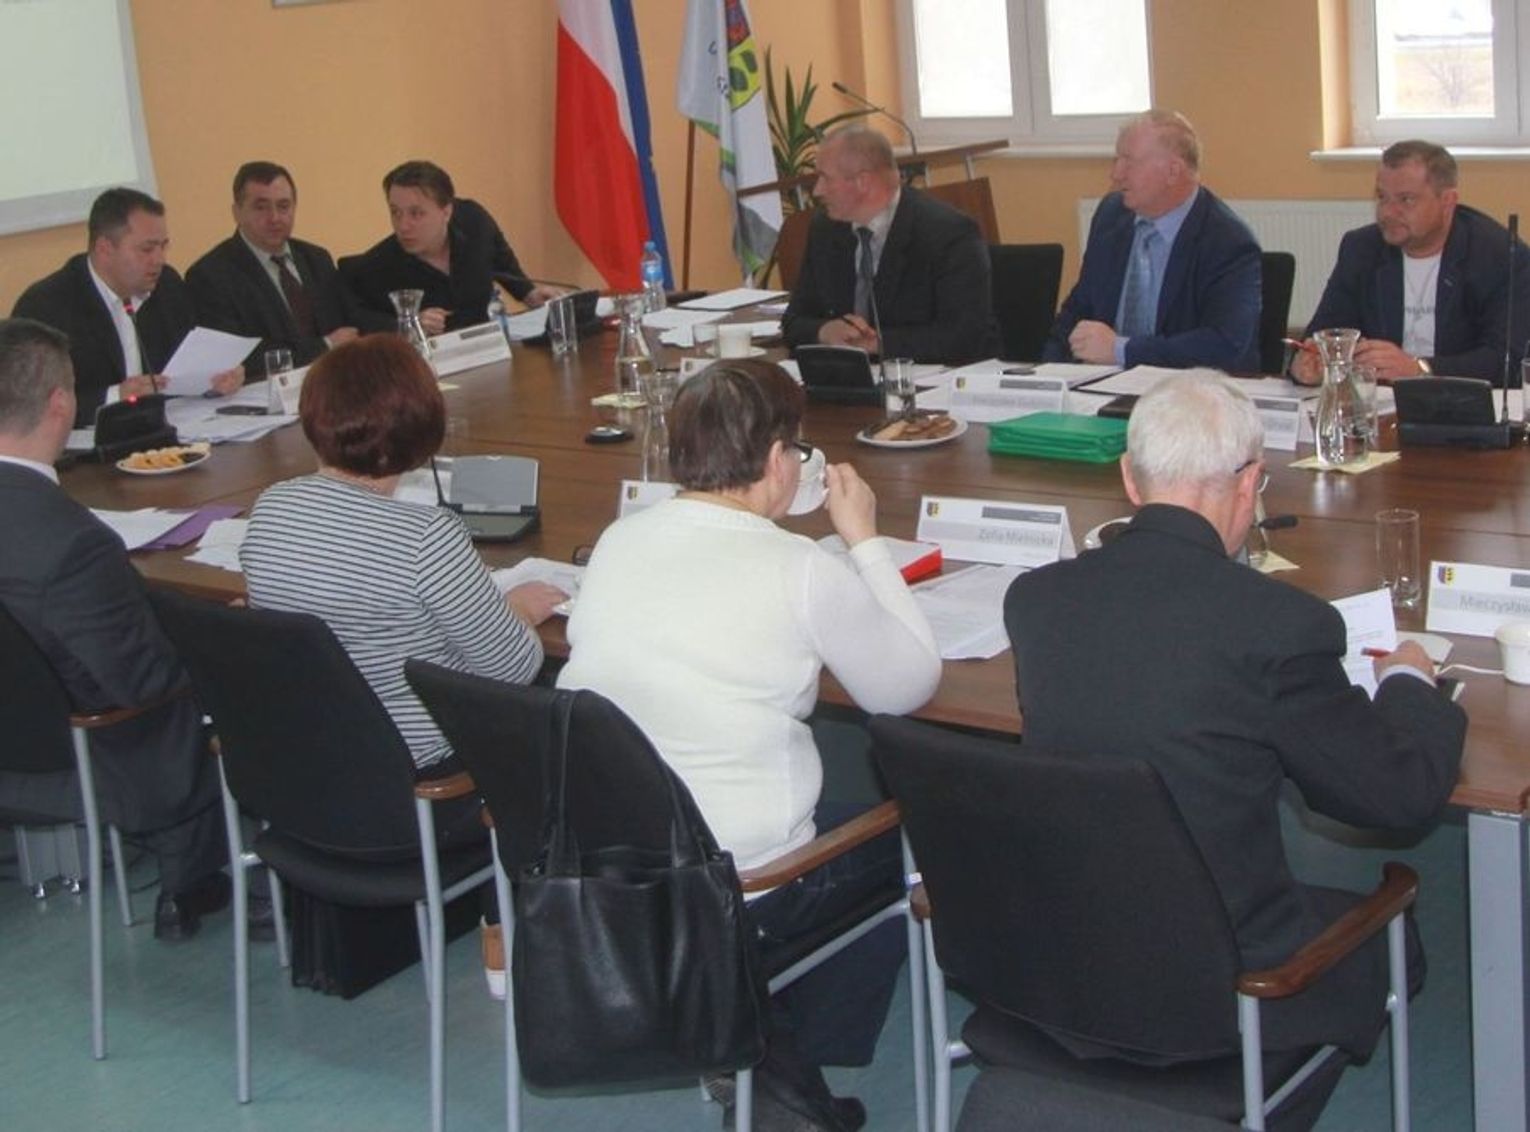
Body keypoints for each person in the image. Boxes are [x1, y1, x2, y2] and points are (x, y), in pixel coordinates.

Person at [1003, 373, 1465, 1062]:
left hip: (1060, 956)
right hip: (1232, 984)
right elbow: (1396, 795)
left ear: (1130, 478)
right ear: (1250, 483)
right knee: (1400, 937)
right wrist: (1408, 680)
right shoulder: (1279, 624)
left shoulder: (1035, 599)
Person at [557, 359, 942, 1131]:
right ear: (776, 460)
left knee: (826, 803)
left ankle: (757, 1054)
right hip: (749, 884)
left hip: (615, 870)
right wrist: (864, 540)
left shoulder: (620, 539)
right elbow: (906, 686)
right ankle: (782, 1056)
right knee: (920, 830)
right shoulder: (798, 567)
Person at [0, 318, 230, 941]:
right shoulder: (72, 544)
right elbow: (144, 682)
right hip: (86, 757)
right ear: (60, 403)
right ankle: (213, 877)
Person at [239, 334, 561, 772]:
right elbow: (512, 668)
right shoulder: (426, 536)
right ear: (421, 427)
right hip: (418, 761)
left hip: (307, 751)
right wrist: (518, 610)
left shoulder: (271, 506)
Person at [1295, 140, 1530, 384]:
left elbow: (1508, 360)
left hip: (1462, 399)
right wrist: (1306, 363)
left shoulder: (1500, 256)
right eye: (1382, 197)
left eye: (1406, 200)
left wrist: (1420, 369)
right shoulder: (1362, 248)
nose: (1387, 212)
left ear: (1447, 201)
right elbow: (1322, 333)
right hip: (1381, 398)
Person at [1043, 110, 1261, 372]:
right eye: (1117, 159)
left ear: (1173, 171)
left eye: (1129, 161)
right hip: (1103, 382)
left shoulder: (1227, 242)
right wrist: (1047, 373)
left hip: (1183, 388)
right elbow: (1078, 310)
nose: (1116, 173)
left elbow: (1224, 345)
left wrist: (1122, 350)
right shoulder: (1112, 216)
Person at [12, 188, 243, 426]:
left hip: (168, 433)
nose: (159, 259)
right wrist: (115, 397)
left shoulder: (167, 286)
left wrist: (213, 381)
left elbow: (182, 371)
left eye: (163, 246)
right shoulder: (46, 305)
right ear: (104, 249)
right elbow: (28, 406)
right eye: (147, 249)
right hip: (89, 444)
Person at [782, 126, 997, 365]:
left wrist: (878, 343)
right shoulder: (826, 228)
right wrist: (824, 331)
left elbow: (963, 337)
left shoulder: (947, 233)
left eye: (825, 178)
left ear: (863, 181)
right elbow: (793, 321)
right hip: (848, 376)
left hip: (929, 377)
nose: (817, 190)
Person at [340, 160, 560, 336]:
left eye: (416, 213)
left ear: (446, 212)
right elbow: (356, 318)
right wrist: (410, 324)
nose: (403, 225)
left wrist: (529, 293)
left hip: (488, 348)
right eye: (395, 212)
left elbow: (502, 262)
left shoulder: (474, 222)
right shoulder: (377, 267)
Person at [186, 161, 362, 369]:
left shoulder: (316, 258)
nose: (274, 218)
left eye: (283, 206)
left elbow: (348, 323)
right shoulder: (210, 276)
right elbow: (237, 358)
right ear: (237, 212)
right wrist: (325, 345)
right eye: (261, 207)